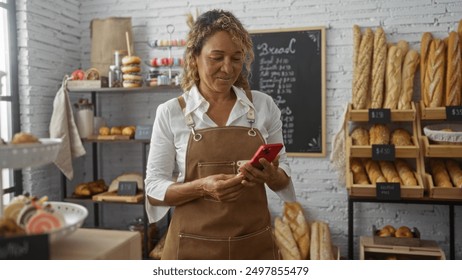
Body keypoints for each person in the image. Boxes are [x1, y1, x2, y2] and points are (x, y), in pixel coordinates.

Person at [145, 9, 295, 260]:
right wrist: (202, 188)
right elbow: (154, 189)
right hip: (190, 249)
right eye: (217, 57)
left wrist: (272, 175)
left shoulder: (264, 106)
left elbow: (284, 179)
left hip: (252, 245)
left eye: (237, 58)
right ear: (194, 57)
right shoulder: (170, 112)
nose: (228, 69)